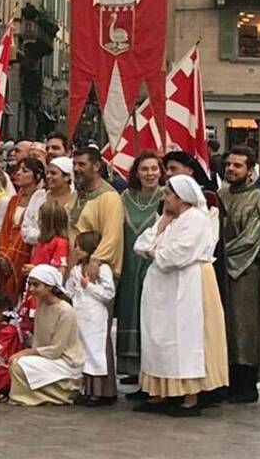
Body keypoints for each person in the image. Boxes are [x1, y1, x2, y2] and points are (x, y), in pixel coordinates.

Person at [133, 175, 229, 416]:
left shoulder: (196, 219)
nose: (164, 198)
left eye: (168, 194)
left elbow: (176, 255)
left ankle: (189, 397)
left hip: (187, 285)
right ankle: (162, 392)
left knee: (185, 340)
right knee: (160, 339)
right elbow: (141, 245)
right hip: (163, 287)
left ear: (182, 197)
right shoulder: (169, 219)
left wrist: (155, 250)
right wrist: (160, 229)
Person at [217, 145, 260, 403]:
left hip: (246, 272)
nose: (231, 169)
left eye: (237, 166)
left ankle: (246, 384)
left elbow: (251, 239)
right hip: (220, 271)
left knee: (244, 328)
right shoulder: (221, 195)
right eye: (229, 164)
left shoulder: (259, 199)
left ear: (250, 171)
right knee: (223, 326)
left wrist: (221, 254)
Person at [116, 151, 163, 384]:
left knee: (150, 315)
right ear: (136, 172)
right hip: (128, 264)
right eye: (144, 169)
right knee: (128, 312)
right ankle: (132, 368)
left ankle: (149, 369)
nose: (150, 174)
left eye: (154, 168)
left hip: (153, 266)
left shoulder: (166, 197)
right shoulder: (125, 196)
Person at [8, 265, 85, 406]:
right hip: (48, 357)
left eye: (36, 285)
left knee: (19, 364)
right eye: (29, 284)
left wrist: (26, 352)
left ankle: (57, 396)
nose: (31, 289)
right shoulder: (41, 305)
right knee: (16, 363)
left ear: (49, 286)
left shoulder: (65, 311)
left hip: (66, 361)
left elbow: (56, 349)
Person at [65, 231, 116, 406]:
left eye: (80, 246)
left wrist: (89, 287)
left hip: (95, 316)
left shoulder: (103, 269)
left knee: (96, 351)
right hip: (80, 316)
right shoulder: (76, 270)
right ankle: (85, 389)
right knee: (82, 351)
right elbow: (70, 291)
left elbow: (108, 294)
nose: (76, 249)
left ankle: (101, 391)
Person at [71, 146, 125, 277]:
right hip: (75, 267)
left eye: (82, 164)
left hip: (97, 271)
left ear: (96, 166)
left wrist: (95, 261)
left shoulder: (109, 197)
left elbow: (112, 236)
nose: (76, 169)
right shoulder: (77, 195)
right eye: (74, 164)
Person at [19, 201, 70, 337]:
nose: (39, 222)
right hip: (33, 292)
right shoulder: (41, 241)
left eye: (41, 219)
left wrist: (35, 269)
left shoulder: (60, 243)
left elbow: (59, 273)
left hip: (44, 295)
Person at [0, 158, 44, 299]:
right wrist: (2, 254)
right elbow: (5, 229)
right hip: (6, 255)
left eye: (25, 170)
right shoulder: (13, 200)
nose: (19, 173)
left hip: (28, 256)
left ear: (38, 175)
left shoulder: (42, 200)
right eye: (18, 169)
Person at [21, 156, 74, 246]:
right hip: (39, 252)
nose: (48, 176)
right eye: (47, 173)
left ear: (67, 177)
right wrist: (45, 237)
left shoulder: (77, 199)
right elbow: (26, 228)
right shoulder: (39, 196)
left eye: (53, 173)